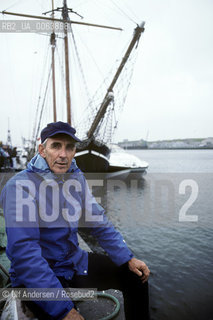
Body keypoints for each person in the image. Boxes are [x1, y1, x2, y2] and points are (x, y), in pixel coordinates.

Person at [0, 121, 150, 320]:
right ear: (42, 150)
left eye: (69, 147)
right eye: (56, 146)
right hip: (37, 277)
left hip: (72, 263)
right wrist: (63, 309)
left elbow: (98, 221)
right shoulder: (20, 187)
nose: (63, 154)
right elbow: (25, 254)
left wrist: (127, 258)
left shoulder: (75, 179)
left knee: (135, 278)